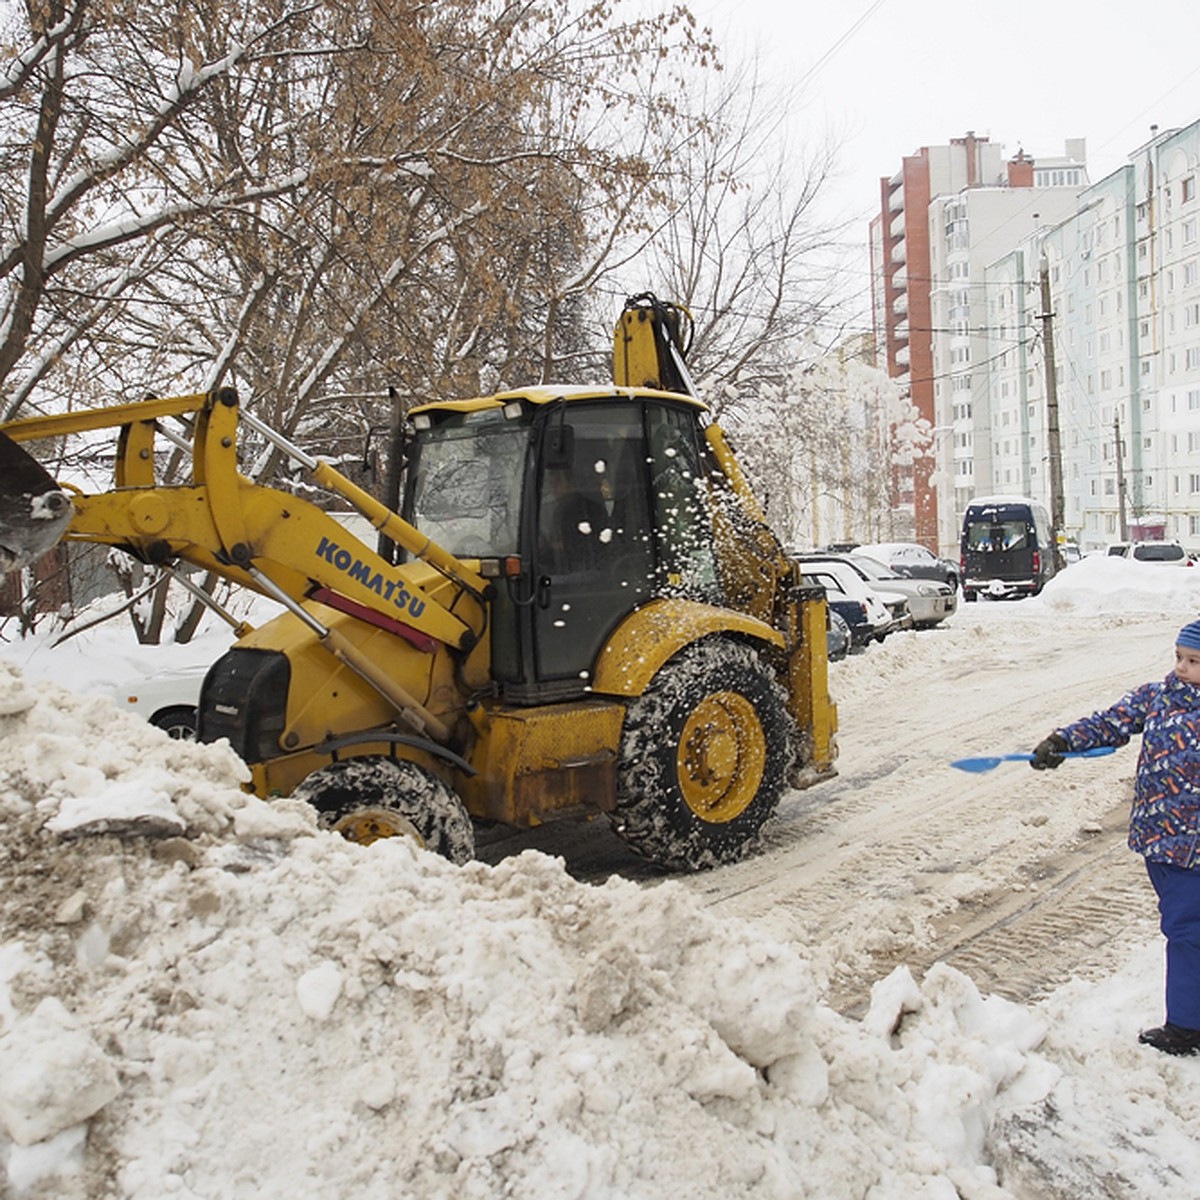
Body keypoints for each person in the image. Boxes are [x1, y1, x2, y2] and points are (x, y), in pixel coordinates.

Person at [1030, 619, 1200, 1056]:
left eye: (1193, 661)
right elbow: (1111, 722)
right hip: (1159, 838)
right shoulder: (1159, 697)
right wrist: (1063, 741)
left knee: (1186, 930)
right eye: (1179, 657)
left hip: (1193, 849)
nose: (1181, 668)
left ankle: (1185, 1025)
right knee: (1184, 925)